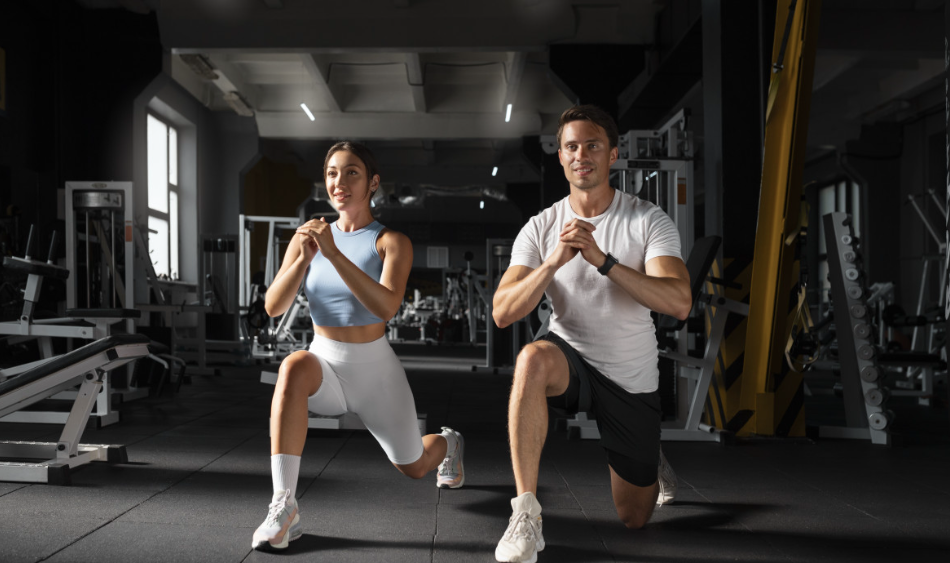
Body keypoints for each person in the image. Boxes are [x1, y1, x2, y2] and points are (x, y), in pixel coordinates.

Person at [491, 105, 691, 562]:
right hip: (570, 359)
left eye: (593, 145)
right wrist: (551, 262)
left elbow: (679, 301)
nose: (582, 154)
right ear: (561, 158)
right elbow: (503, 312)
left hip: (629, 376)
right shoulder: (541, 226)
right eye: (572, 147)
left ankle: (650, 458)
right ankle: (525, 514)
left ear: (613, 154)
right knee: (531, 360)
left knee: (634, 518)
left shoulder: (647, 220)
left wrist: (603, 260)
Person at [252, 141, 465, 552]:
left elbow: (386, 307)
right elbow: (273, 305)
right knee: (293, 365)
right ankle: (284, 505)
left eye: (351, 172)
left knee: (416, 467)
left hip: (376, 373)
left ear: (373, 183)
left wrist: (332, 253)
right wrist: (305, 256)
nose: (340, 182)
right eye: (332, 173)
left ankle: (450, 443)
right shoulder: (307, 237)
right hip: (325, 365)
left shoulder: (391, 241)